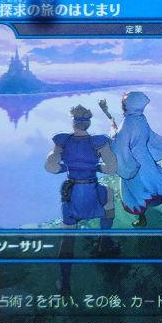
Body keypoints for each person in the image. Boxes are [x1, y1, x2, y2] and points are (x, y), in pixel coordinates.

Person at [45, 105, 118, 291]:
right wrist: (95, 167)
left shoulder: (63, 140)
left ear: (73, 123)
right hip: (93, 192)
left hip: (72, 194)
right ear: (88, 123)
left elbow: (50, 167)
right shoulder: (97, 141)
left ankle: (65, 283)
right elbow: (111, 168)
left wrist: (66, 168)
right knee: (109, 193)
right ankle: (104, 241)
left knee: (67, 238)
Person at [112, 91, 162, 227]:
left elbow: (120, 145)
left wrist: (113, 137)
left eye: (124, 104)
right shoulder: (141, 119)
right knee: (150, 183)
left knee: (135, 189)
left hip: (132, 161)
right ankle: (145, 212)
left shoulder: (127, 122)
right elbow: (152, 137)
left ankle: (142, 218)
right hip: (146, 158)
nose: (123, 106)